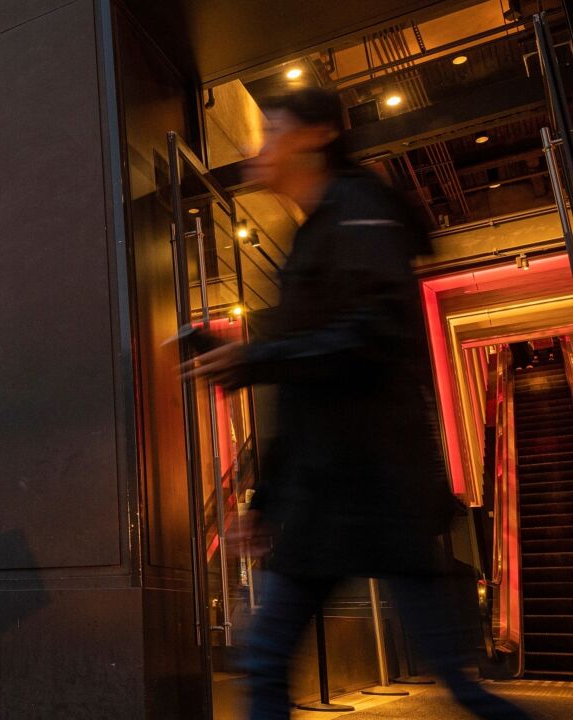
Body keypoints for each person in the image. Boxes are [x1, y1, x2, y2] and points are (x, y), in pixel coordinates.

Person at [188, 88, 533, 720]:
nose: (257, 147)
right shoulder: (315, 233)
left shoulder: (359, 211)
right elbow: (304, 391)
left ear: (318, 134)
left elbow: (374, 336)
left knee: (457, 688)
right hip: (335, 495)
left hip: (376, 491)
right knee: (267, 666)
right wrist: (263, 502)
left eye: (273, 131)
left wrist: (255, 358)